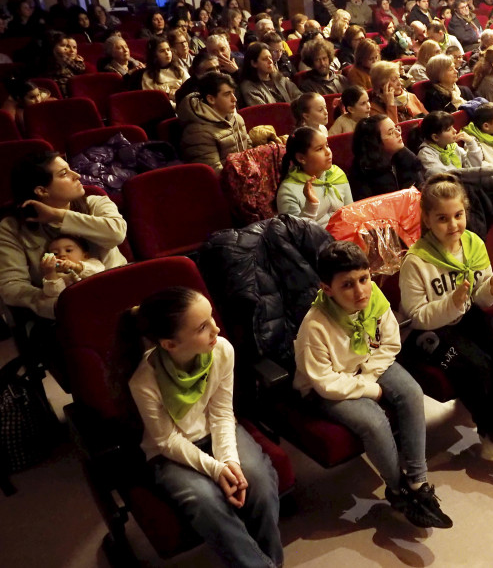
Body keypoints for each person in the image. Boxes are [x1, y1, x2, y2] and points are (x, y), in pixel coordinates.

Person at [295, 241, 452, 528]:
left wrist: (367, 377)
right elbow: (324, 381)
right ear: (327, 289)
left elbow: (390, 343)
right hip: (328, 385)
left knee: (411, 393)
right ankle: (397, 489)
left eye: (364, 279)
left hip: (367, 366)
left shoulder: (373, 299)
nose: (360, 291)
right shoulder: (315, 325)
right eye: (347, 285)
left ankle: (418, 481)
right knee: (374, 421)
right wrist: (370, 389)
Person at [127, 288, 283, 566]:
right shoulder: (144, 380)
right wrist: (216, 469)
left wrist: (229, 462)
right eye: (202, 327)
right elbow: (166, 441)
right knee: (206, 501)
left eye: (211, 318)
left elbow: (222, 412)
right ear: (170, 344)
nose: (216, 328)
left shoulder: (221, 349)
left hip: (216, 431)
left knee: (257, 479)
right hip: (171, 451)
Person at [400, 173, 493, 464]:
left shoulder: (473, 243)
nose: (453, 225)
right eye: (442, 218)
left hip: (463, 312)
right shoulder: (416, 261)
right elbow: (417, 317)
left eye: (458, 215)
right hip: (431, 327)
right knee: (476, 366)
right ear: (426, 219)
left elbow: (479, 293)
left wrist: (490, 289)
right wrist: (452, 302)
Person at [0, 152, 127, 320]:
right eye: (64, 174)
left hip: (119, 292)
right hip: (64, 311)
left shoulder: (96, 203)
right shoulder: (12, 228)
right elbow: (11, 286)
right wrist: (58, 304)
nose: (77, 175)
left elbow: (116, 234)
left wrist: (58, 216)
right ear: (42, 190)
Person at [276, 126, 352, 223]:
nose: (328, 152)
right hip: (317, 237)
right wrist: (311, 205)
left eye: (327, 146)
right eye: (319, 149)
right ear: (301, 158)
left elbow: (351, 213)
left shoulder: (337, 174)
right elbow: (296, 234)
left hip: (345, 234)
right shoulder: (288, 191)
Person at [177, 72, 251, 171]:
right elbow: (214, 173)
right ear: (211, 99)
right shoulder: (198, 133)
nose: (234, 99)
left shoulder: (237, 119)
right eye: (227, 94)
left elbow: (250, 150)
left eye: (233, 93)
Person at [348, 114, 424, 199]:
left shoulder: (408, 159)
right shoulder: (362, 173)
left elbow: (422, 191)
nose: (398, 133)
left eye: (396, 128)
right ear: (375, 143)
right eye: (391, 132)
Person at [415, 111, 483, 178]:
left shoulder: (452, 146)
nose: (455, 131)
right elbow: (445, 179)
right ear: (435, 137)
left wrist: (471, 143)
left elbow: (473, 168)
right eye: (448, 129)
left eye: (452, 127)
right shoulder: (426, 154)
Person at [39, 234, 105, 298]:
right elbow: (54, 293)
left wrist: (76, 267)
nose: (62, 255)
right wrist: (50, 273)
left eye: (68, 250)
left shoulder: (92, 263)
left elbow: (100, 273)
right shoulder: (57, 275)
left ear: (85, 256)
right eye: (55, 253)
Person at [237, 41, 299, 107]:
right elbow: (265, 112)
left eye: (270, 57)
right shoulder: (249, 86)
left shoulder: (279, 78)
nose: (270, 61)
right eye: (265, 59)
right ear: (254, 63)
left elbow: (298, 96)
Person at [142, 36, 189, 103]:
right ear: (154, 55)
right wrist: (168, 95)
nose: (167, 53)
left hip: (182, 104)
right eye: (162, 51)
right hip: (163, 106)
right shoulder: (149, 75)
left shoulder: (179, 70)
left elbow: (190, 88)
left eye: (168, 49)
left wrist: (179, 92)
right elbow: (151, 98)